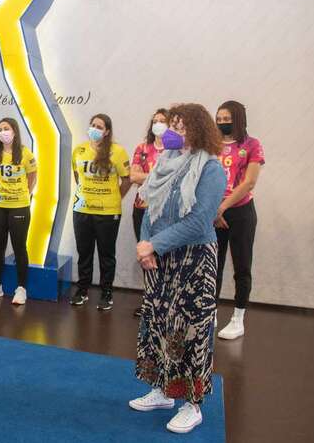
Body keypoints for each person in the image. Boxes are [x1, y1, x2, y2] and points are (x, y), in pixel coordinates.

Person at [130, 103, 226, 434]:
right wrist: (146, 249)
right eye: (172, 125)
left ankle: (192, 405)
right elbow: (149, 207)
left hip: (194, 259)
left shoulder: (211, 169)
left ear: (199, 130)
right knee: (157, 323)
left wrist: (154, 244)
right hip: (161, 259)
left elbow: (200, 222)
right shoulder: (164, 163)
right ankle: (162, 390)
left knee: (190, 331)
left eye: (181, 126)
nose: (172, 132)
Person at [69, 114, 131, 311]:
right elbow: (77, 175)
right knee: (84, 252)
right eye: (92, 125)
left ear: (107, 132)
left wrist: (114, 198)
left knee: (106, 254)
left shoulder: (118, 152)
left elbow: (127, 180)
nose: (94, 128)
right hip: (82, 209)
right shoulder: (78, 150)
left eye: (99, 126)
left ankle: (106, 292)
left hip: (108, 212)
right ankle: (83, 290)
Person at [214, 101, 264, 340]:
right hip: (215, 212)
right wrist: (214, 210)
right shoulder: (211, 145)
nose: (223, 122)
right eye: (219, 118)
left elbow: (249, 182)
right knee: (213, 264)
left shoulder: (252, 144)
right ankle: (210, 312)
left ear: (238, 118)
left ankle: (237, 319)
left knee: (242, 266)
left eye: (227, 118)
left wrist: (223, 207)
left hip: (240, 212)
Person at [0, 117, 37, 305]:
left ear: (14, 130)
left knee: (19, 247)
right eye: (0, 129)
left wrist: (24, 194)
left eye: (6, 128)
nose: (3, 132)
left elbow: (32, 176)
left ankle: (21, 288)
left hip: (19, 206)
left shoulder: (25, 153)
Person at [129, 108, 169, 316]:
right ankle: (149, 300)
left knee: (164, 256)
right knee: (146, 255)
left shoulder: (175, 150)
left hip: (166, 212)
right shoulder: (142, 148)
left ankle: (165, 301)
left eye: (163, 120)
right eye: (155, 121)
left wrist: (147, 176)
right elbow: (133, 176)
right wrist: (158, 177)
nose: (158, 124)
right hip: (142, 209)